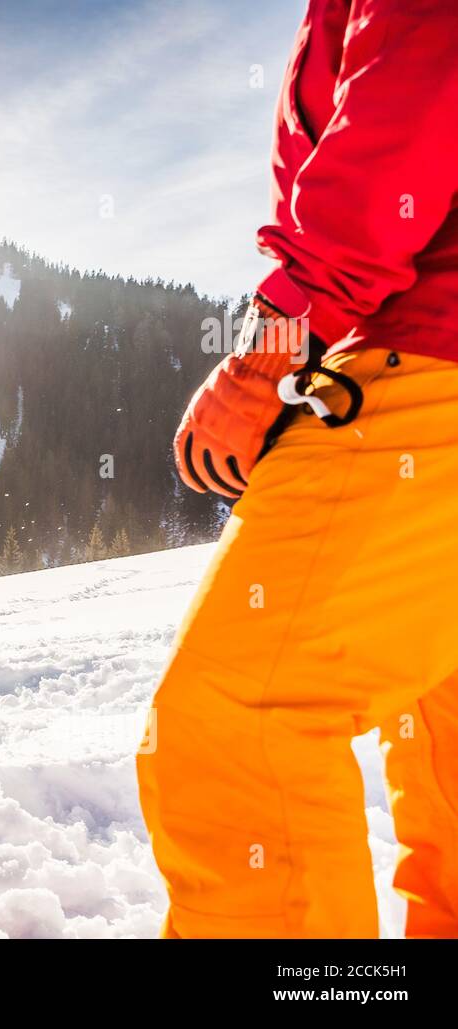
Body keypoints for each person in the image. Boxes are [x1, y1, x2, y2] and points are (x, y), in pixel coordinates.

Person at [139, 0, 458, 938]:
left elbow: (407, 114)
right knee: (440, 731)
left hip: (428, 357)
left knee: (236, 719)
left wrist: (271, 352)